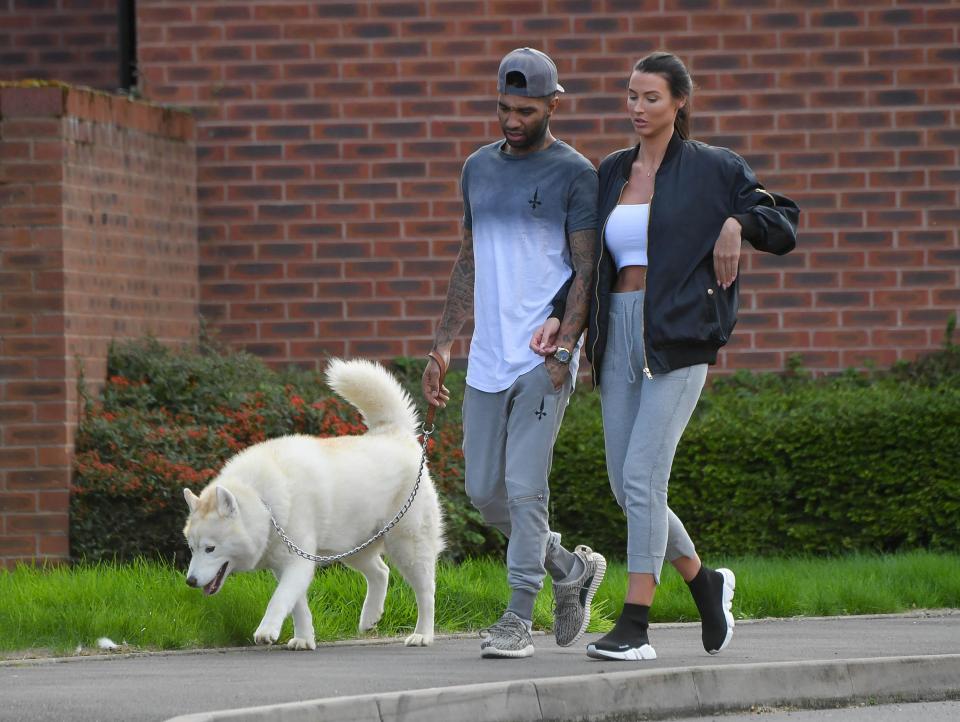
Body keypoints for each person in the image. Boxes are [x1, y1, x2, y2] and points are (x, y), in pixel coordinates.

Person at [531, 51, 800, 661]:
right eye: (631, 96)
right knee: (630, 489)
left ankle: (636, 623)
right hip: (616, 333)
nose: (638, 107)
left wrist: (736, 224)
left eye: (651, 97)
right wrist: (557, 314)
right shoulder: (612, 171)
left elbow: (782, 221)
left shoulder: (712, 168)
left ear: (679, 101)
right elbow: (587, 262)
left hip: (678, 339)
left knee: (644, 478)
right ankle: (706, 584)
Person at [421, 47, 606, 659]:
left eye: (525, 110)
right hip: (488, 357)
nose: (511, 120)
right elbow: (468, 259)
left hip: (542, 357)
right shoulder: (477, 168)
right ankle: (567, 568)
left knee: (526, 490)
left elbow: (586, 270)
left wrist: (566, 351)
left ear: (554, 104)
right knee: (483, 491)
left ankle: (517, 618)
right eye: (503, 108)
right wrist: (443, 345)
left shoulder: (576, 174)